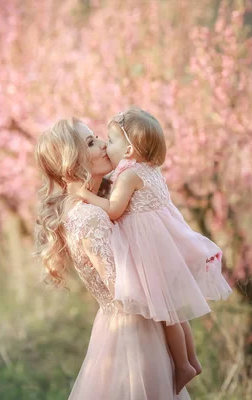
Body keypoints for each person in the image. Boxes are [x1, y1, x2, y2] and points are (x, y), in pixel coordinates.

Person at [72, 108, 233, 393]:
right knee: (176, 312)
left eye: (111, 141)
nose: (107, 147)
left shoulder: (129, 175)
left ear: (130, 148)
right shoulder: (151, 169)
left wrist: (84, 195)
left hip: (148, 251)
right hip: (165, 245)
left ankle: (183, 364)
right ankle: (192, 360)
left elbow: (112, 210)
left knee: (166, 314)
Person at [34, 117, 190, 399]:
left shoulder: (91, 206)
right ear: (73, 161)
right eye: (91, 142)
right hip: (134, 332)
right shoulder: (90, 216)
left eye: (98, 137)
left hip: (134, 323)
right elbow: (126, 288)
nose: (105, 144)